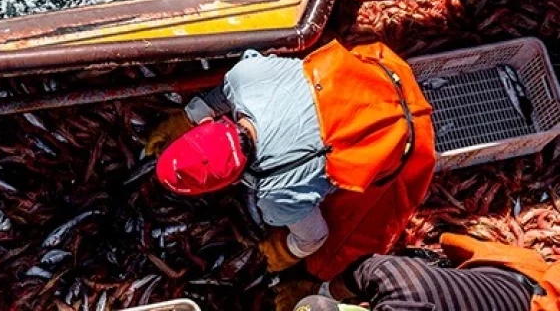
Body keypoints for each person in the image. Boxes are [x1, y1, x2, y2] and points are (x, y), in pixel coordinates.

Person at [145, 40, 436, 279]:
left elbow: (315, 237)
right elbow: (225, 93)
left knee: (338, 251)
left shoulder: (277, 195)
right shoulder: (244, 77)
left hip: (407, 135)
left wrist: (284, 252)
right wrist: (188, 115)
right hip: (382, 68)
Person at [291, 233, 560, 311]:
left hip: (535, 296)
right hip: (511, 281)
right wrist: (322, 289)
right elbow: (355, 274)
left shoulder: (398, 281)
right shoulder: (389, 273)